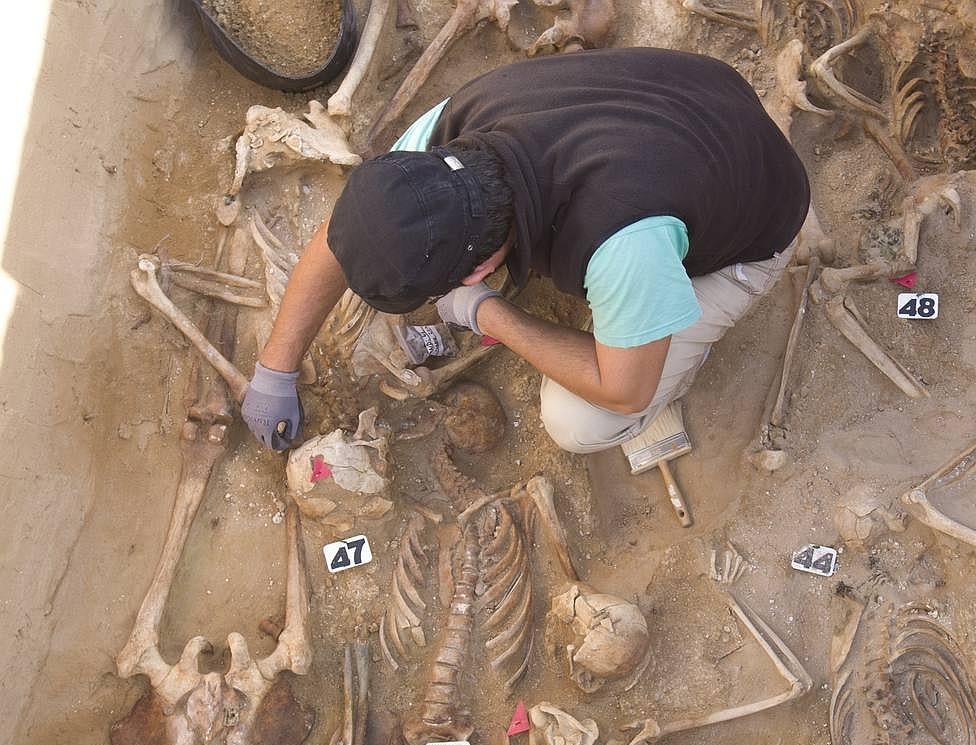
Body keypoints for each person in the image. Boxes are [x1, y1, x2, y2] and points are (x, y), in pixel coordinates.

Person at [241, 47, 810, 453]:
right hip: (692, 101)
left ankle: (687, 342)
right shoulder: (454, 130)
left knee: (579, 422)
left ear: (484, 268)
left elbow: (624, 387)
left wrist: (487, 313)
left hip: (755, 225)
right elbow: (348, 232)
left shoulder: (620, 242)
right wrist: (275, 368)